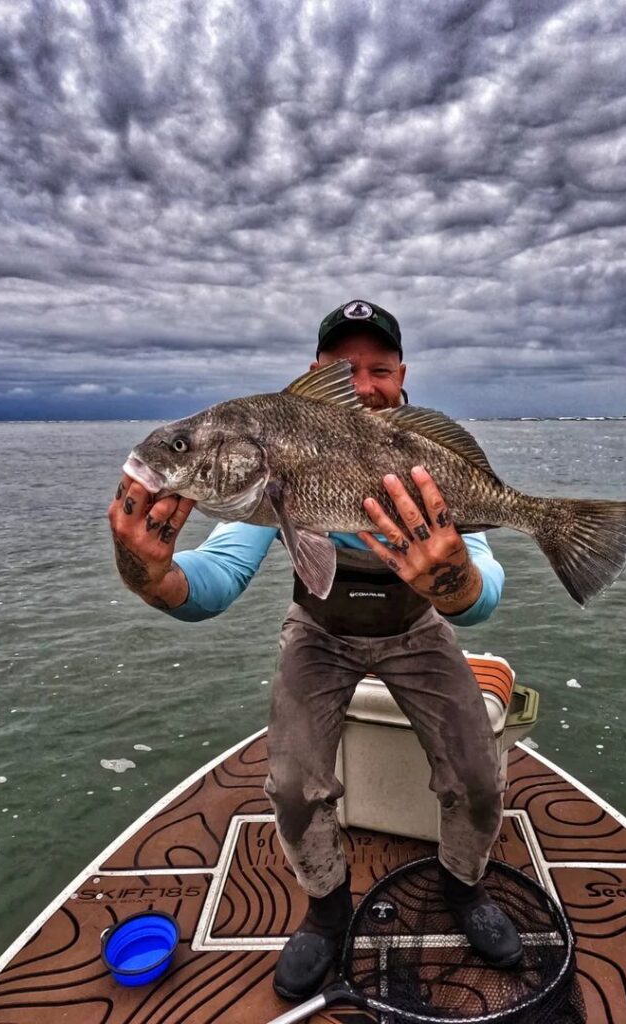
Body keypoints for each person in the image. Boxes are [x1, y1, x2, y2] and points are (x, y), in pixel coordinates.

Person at [108, 299, 523, 1001]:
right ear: (315, 375)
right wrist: (146, 573)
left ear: (404, 377)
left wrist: (449, 576)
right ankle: (328, 910)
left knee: (479, 777)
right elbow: (212, 582)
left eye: (380, 370)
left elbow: (480, 595)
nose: (363, 385)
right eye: (342, 370)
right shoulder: (277, 454)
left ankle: (463, 887)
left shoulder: (426, 460)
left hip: (417, 629)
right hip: (319, 633)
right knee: (295, 787)